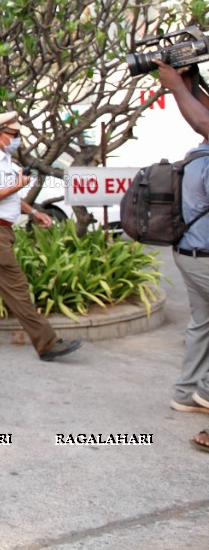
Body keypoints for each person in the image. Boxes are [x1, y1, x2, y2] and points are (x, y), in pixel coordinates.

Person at [0, 111, 82, 361]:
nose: (18, 139)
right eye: (14, 135)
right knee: (16, 286)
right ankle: (47, 343)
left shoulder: (4, 159)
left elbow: (10, 196)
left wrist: (34, 212)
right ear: (0, 135)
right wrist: (17, 186)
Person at [154, 61, 209, 452]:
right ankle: (206, 392)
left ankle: (187, 392)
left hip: (189, 256)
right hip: (206, 256)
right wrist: (177, 87)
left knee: (202, 324)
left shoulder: (195, 157)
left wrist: (190, 83)